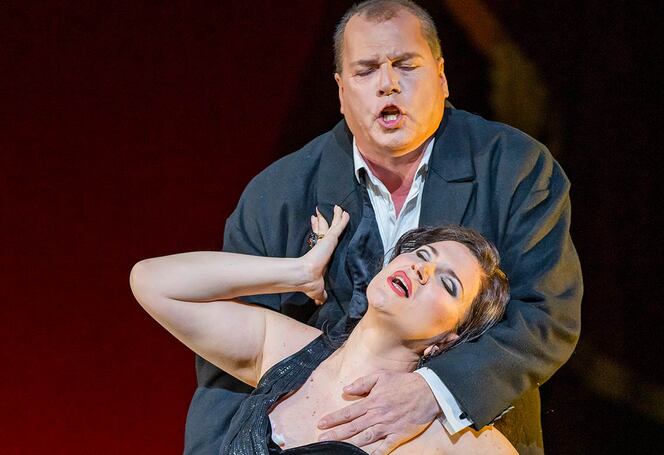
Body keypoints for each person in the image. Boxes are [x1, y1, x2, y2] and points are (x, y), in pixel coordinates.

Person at [186, 1, 583, 454]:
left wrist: (436, 391)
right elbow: (224, 360)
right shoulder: (278, 194)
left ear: (441, 74)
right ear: (340, 90)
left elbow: (547, 315)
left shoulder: (515, 168)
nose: (388, 84)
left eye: (405, 65)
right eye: (367, 70)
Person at [131, 207, 516, 454]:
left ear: (448, 338)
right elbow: (153, 282)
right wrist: (298, 272)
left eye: (448, 285)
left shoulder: (442, 439)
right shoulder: (286, 349)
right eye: (421, 254)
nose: (421, 269)